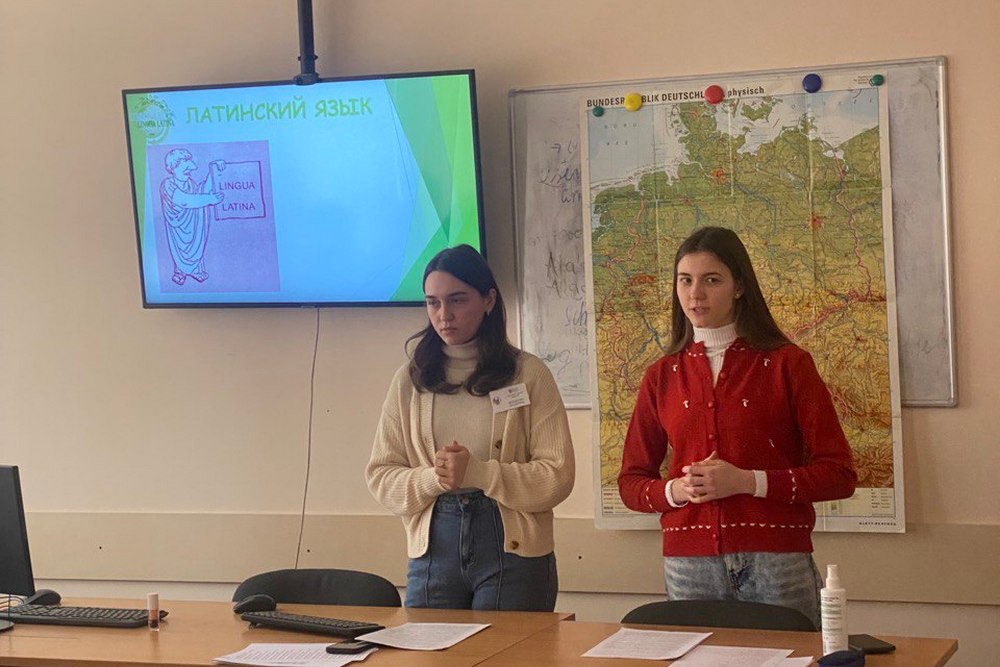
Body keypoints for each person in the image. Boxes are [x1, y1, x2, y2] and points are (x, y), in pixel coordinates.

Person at [617, 226, 857, 627]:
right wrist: (677, 490)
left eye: (712, 280)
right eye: (685, 280)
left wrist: (748, 481)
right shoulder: (661, 376)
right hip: (689, 563)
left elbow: (839, 475)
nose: (696, 294)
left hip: (776, 559)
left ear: (740, 286)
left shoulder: (788, 365)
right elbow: (631, 483)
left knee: (793, 655)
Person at [366, 244, 575, 611]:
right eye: (433, 302)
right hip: (433, 552)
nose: (444, 315)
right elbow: (381, 477)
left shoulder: (528, 374)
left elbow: (557, 476)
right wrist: (435, 478)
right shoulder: (410, 381)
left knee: (506, 647)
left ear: (488, 300)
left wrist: (477, 472)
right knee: (427, 646)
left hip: (515, 553)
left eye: (457, 300)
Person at [159, 149, 225, 285]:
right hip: (177, 227)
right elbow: (184, 201)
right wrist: (209, 199)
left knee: (195, 241)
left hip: (192, 226)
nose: (189, 172)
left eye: (189, 170)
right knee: (179, 247)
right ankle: (180, 272)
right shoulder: (167, 185)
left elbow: (202, 192)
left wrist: (213, 170)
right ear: (173, 168)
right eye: (185, 169)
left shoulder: (191, 184)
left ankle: (195, 270)